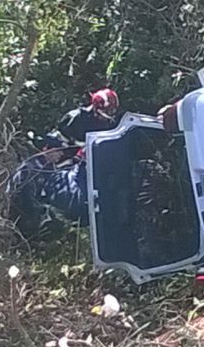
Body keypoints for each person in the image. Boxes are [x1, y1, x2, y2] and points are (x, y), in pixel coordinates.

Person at [7, 87, 120, 237]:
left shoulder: (112, 127)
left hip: (88, 170)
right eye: (103, 114)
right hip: (65, 164)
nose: (106, 119)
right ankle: (30, 219)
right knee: (27, 172)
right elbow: (57, 141)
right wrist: (53, 150)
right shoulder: (76, 118)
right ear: (95, 108)